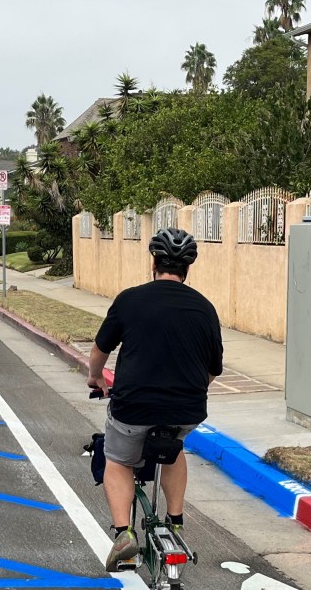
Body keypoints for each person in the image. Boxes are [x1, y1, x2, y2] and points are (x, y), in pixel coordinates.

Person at [88, 228, 224, 571]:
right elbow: (213, 370)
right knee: (175, 449)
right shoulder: (205, 308)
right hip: (187, 409)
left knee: (117, 460)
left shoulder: (129, 300)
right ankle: (175, 523)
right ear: (187, 269)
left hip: (133, 407)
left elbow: (100, 350)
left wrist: (95, 378)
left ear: (154, 264)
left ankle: (124, 534)